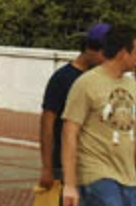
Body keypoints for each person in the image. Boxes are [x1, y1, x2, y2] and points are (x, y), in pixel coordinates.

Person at [61, 25, 136, 206]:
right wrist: (70, 184)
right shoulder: (86, 83)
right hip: (96, 174)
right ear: (122, 53)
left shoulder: (131, 84)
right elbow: (69, 132)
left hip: (128, 177)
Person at [41, 23, 111, 197]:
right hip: (64, 163)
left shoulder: (101, 77)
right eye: (105, 53)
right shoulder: (62, 78)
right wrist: (47, 167)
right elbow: (46, 124)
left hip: (94, 165)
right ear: (90, 49)